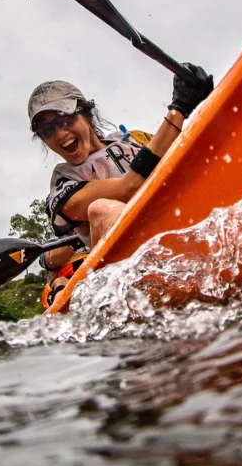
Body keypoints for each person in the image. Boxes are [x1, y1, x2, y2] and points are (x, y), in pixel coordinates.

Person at [28, 64, 213, 306]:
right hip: (133, 275)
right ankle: (146, 295)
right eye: (48, 130)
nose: (60, 135)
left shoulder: (136, 140)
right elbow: (129, 188)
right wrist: (179, 109)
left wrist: (206, 103)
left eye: (65, 120)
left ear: (87, 114)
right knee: (101, 209)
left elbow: (194, 161)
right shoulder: (63, 185)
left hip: (182, 234)